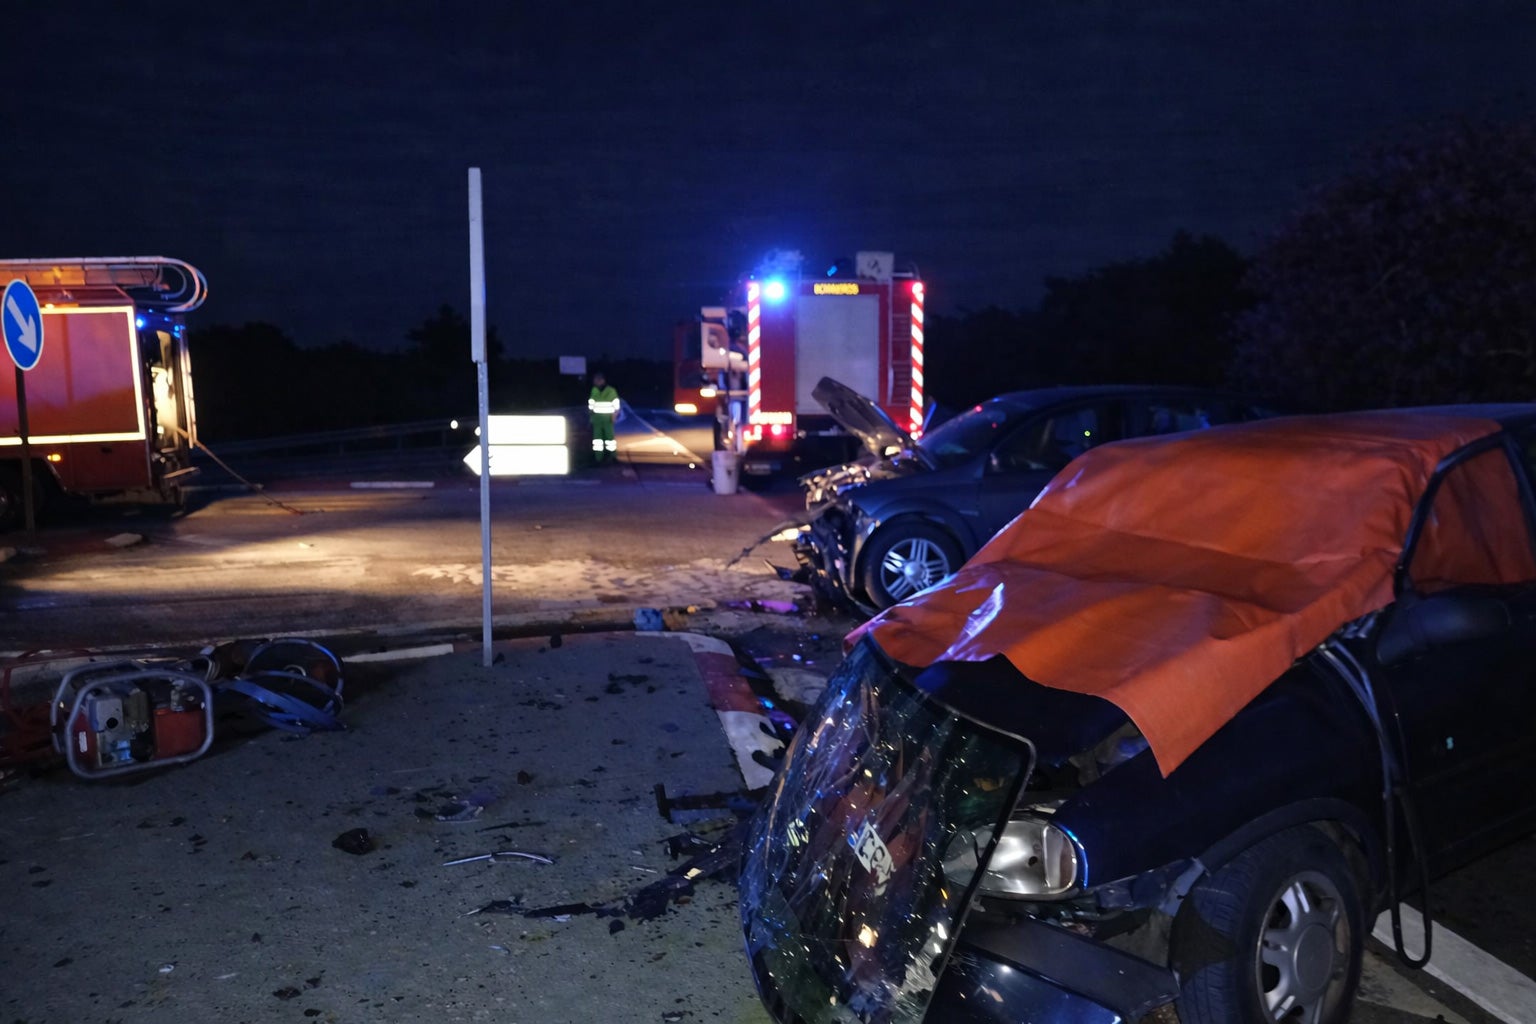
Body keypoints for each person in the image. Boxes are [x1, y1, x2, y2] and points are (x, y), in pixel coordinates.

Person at [587, 372, 620, 464]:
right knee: (597, 440)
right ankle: (598, 458)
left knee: (609, 439)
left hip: (607, 419)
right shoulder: (594, 390)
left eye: (596, 380)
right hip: (597, 419)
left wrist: (615, 415)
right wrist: (591, 415)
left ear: (602, 380)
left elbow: (616, 404)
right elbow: (591, 403)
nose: (594, 382)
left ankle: (611, 456)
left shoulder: (611, 391)